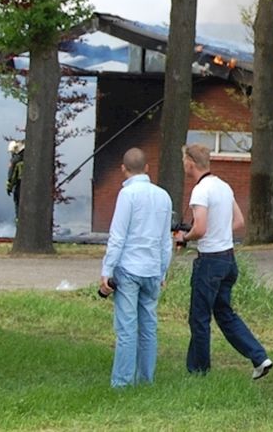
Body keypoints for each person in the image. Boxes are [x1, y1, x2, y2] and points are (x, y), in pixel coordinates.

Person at [176, 143, 273, 380]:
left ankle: (198, 371)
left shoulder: (200, 191)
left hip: (209, 262)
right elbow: (239, 221)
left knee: (199, 317)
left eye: (183, 162)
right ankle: (259, 357)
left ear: (190, 162)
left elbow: (199, 228)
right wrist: (219, 233)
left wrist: (183, 237)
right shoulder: (224, 186)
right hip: (228, 260)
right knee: (224, 313)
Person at [99, 147, 173, 388]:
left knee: (127, 328)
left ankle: (122, 382)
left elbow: (118, 236)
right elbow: (165, 240)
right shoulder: (163, 196)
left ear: (123, 169)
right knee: (149, 327)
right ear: (147, 168)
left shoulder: (127, 196)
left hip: (129, 269)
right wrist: (163, 270)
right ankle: (146, 380)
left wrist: (107, 271)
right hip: (152, 269)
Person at [6, 140, 25, 220]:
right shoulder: (30, 157)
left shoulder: (15, 161)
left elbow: (11, 176)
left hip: (20, 185)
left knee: (18, 205)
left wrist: (9, 187)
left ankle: (19, 221)